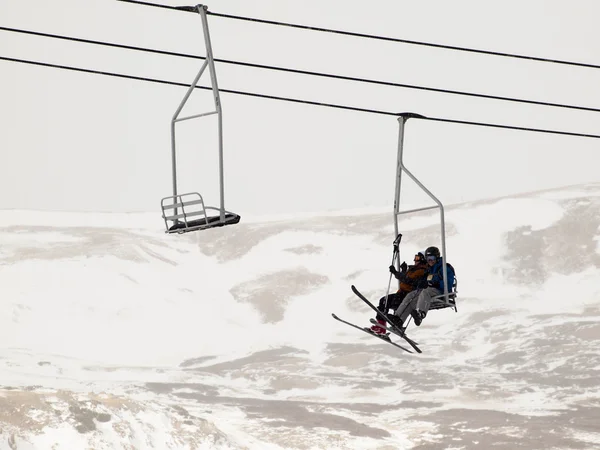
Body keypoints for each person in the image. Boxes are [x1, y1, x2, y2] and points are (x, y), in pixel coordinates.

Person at [392, 246, 455, 330]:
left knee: (426, 292)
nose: (430, 261)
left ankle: (420, 314)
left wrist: (436, 283)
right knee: (411, 296)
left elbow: (448, 283)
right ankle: (398, 320)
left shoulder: (444, 267)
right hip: (430, 290)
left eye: (432, 258)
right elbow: (426, 280)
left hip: (442, 291)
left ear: (437, 257)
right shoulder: (430, 269)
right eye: (428, 259)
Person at [370, 251, 428, 335]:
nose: (415, 260)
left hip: (408, 293)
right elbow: (405, 279)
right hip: (401, 292)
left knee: (396, 303)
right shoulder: (413, 269)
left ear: (423, 259)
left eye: (417, 258)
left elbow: (408, 280)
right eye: (415, 257)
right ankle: (381, 326)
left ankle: (397, 323)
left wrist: (396, 273)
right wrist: (403, 271)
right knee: (384, 301)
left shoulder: (422, 270)